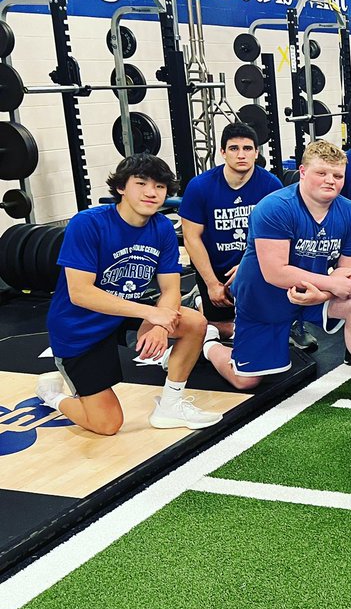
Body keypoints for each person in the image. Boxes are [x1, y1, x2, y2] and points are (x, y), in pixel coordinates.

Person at [203, 140, 351, 411]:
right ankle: (209, 342)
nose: (331, 180)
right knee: (246, 381)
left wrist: (325, 293)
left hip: (311, 293)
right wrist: (329, 284)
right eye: (322, 173)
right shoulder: (275, 207)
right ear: (303, 172)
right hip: (264, 299)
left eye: (338, 175)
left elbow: (349, 267)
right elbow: (276, 272)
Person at [37, 155, 223, 434]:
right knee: (107, 424)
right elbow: (80, 293)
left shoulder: (161, 227)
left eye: (160, 187)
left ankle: (171, 405)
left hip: (125, 312)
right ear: (121, 188)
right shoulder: (88, 224)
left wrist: (161, 324)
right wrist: (152, 314)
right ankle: (52, 396)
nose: (151, 192)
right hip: (79, 327)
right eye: (141, 183)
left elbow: (171, 288)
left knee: (195, 322)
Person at [179, 122, 282, 339]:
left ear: (256, 152)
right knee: (216, 329)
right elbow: (191, 238)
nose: (241, 155)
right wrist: (211, 284)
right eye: (234, 149)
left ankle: (286, 322)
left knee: (264, 328)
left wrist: (248, 265)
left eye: (247, 149)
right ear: (223, 152)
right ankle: (201, 300)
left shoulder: (271, 185)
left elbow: (279, 238)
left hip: (258, 265)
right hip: (216, 270)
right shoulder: (200, 186)